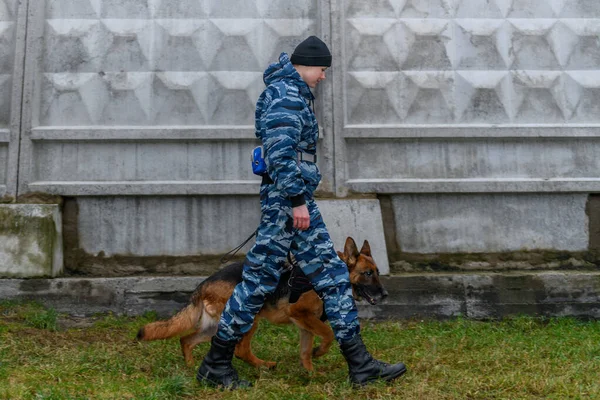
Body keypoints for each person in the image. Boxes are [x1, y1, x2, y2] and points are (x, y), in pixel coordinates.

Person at [197, 36, 407, 389]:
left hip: (292, 200)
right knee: (259, 283)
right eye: (321, 70)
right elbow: (280, 155)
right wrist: (296, 201)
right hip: (287, 203)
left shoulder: (290, 93)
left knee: (332, 277)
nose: (323, 77)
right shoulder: (286, 96)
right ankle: (215, 365)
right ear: (306, 65)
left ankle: (361, 366)